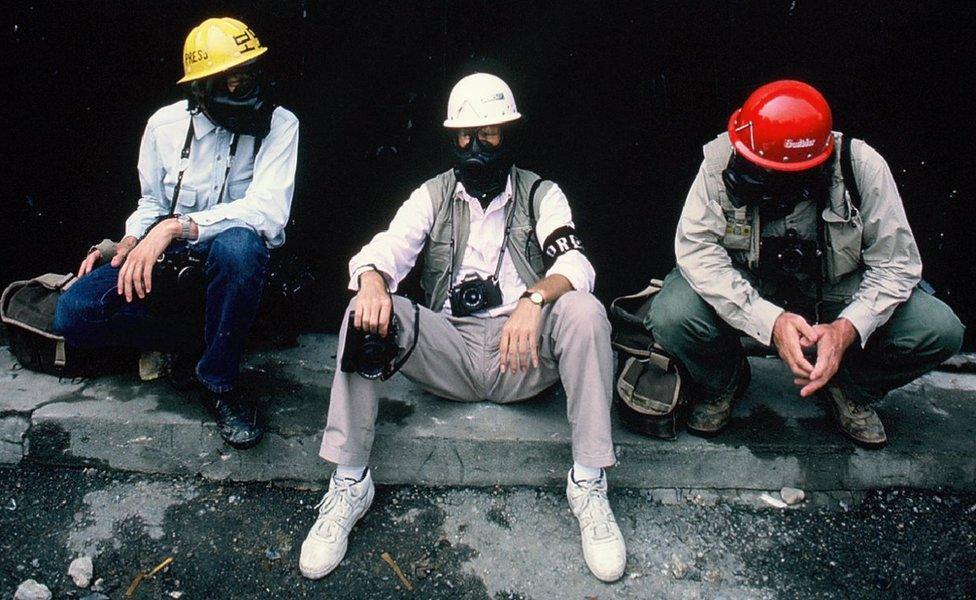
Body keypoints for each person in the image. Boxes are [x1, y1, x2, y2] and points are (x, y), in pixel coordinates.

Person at [298, 73, 626, 582]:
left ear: (509, 134)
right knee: (364, 313)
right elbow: (388, 246)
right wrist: (369, 279)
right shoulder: (434, 194)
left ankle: (588, 483)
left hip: (523, 353)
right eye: (466, 136)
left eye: (490, 134)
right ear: (453, 139)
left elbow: (577, 264)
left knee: (585, 311)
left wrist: (534, 299)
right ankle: (350, 480)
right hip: (449, 348)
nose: (477, 148)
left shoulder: (542, 194)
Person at [648, 80, 964, 448]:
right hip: (750, 283)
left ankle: (849, 389)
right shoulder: (721, 160)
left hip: (835, 290)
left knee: (938, 329)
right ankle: (723, 384)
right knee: (672, 313)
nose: (746, 170)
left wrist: (848, 328)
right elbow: (696, 250)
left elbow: (897, 265)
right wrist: (768, 321)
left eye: (764, 169)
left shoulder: (861, 166)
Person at [53, 17, 300, 449]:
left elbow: (269, 213)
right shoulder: (163, 126)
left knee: (239, 245)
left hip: (233, 263)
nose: (250, 89)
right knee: (75, 313)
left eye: (252, 75)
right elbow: (151, 201)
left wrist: (177, 227)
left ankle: (219, 381)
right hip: (173, 262)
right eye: (234, 81)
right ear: (201, 89)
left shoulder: (282, 125)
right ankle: (208, 340)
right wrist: (129, 243)